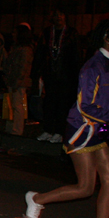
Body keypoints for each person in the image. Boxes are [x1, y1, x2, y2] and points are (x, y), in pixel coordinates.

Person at [24, 19, 109, 218]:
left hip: (105, 130)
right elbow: (87, 106)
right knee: (85, 188)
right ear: (107, 37)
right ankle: (37, 199)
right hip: (83, 131)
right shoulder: (92, 67)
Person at [33, 9, 81, 144]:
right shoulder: (47, 32)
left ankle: (60, 132)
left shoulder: (72, 33)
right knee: (49, 103)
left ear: (65, 17)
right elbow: (40, 53)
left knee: (62, 104)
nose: (58, 17)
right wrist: (36, 72)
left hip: (66, 76)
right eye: (55, 15)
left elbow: (76, 56)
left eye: (61, 14)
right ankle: (47, 130)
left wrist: (77, 76)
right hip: (50, 75)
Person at [4, 23, 34, 136]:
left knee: (17, 106)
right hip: (13, 80)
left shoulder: (25, 49)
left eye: (15, 32)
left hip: (18, 82)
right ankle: (11, 128)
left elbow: (23, 68)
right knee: (12, 105)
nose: (13, 34)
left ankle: (17, 130)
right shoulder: (17, 47)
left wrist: (17, 82)